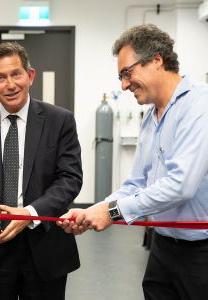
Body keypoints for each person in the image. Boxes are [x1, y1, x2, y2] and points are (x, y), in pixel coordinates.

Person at [57, 23, 208, 300]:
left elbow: (181, 186)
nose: (125, 85)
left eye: (128, 73)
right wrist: (95, 210)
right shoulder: (151, 118)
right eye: (121, 77)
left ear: (157, 60)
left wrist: (113, 213)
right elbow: (137, 181)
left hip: (200, 253)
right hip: (162, 247)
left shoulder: (200, 104)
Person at [0, 42, 82, 300]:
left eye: (16, 74)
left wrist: (30, 214)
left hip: (43, 246)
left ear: (30, 76)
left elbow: (70, 178)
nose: (10, 85)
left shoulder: (60, 120)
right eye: (0, 77)